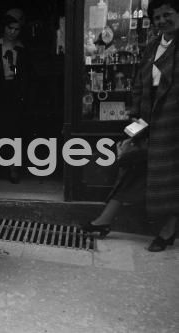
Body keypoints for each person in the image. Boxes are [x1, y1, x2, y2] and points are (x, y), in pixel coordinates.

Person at [85, 0, 179, 252]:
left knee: (170, 180)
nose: (162, 21)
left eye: (167, 15)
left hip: (172, 123)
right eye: (157, 17)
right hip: (149, 120)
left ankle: (168, 230)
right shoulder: (152, 47)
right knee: (133, 167)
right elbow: (139, 82)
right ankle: (104, 221)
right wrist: (136, 117)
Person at [0, 8, 31, 183]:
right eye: (10, 28)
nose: (12, 32)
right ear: (4, 27)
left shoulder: (23, 50)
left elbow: (27, 75)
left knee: (15, 130)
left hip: (15, 92)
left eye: (16, 29)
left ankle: (14, 167)